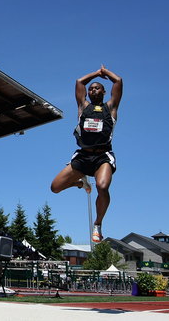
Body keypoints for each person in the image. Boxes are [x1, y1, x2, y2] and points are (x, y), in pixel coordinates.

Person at [51, 65, 123, 243]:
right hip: (83, 156)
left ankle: (98, 224)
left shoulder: (111, 107)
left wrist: (104, 73)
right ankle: (80, 184)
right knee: (55, 188)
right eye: (91, 88)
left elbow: (118, 81)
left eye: (97, 87)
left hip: (102, 156)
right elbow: (79, 82)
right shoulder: (83, 107)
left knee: (102, 186)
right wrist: (95, 74)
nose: (92, 89)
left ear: (104, 91)